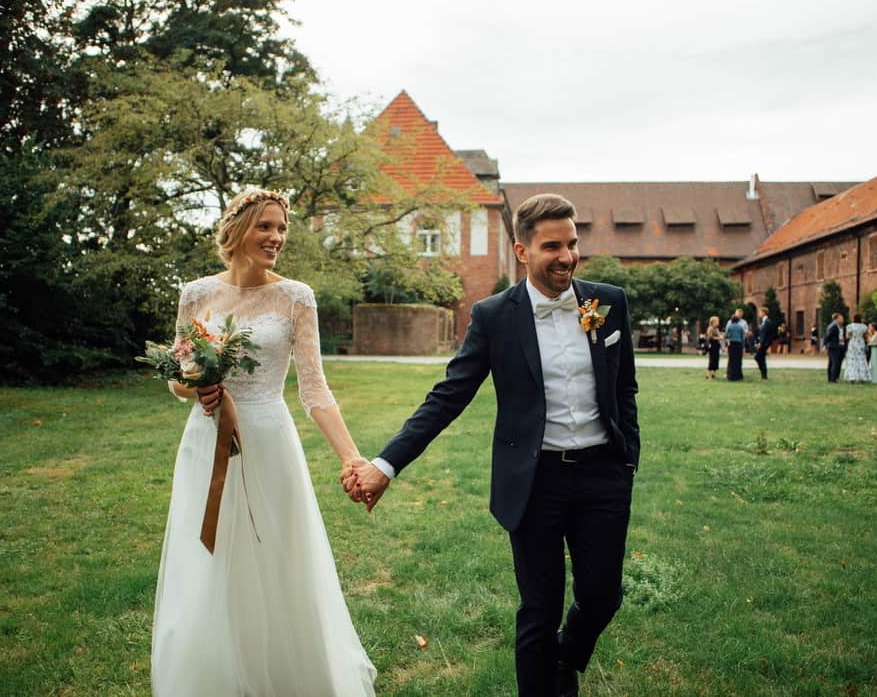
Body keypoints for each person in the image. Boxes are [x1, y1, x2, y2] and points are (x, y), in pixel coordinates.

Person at [343, 194, 639, 697]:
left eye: (571, 244)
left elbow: (624, 386)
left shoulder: (607, 303)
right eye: (552, 246)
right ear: (522, 251)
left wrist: (627, 456)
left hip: (601, 477)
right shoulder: (495, 316)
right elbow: (447, 398)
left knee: (603, 597)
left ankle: (566, 655)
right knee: (538, 609)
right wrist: (386, 465)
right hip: (534, 482)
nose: (566, 256)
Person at [151, 188, 376, 696]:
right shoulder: (195, 293)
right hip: (205, 441)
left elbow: (314, 390)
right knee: (207, 558)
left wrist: (352, 458)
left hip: (270, 441)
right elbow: (175, 376)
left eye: (281, 230)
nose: (276, 238)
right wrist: (197, 384)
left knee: (276, 555)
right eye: (266, 227)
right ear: (236, 230)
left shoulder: (296, 296)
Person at [842, 313, 871, 383]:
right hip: (860, 343)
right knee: (861, 360)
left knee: (852, 361)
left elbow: (847, 337)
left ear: (853, 318)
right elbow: (866, 336)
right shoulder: (864, 327)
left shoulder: (849, 326)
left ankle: (852, 377)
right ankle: (863, 377)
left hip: (852, 343)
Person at [753, 307, 775, 380]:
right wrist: (757, 342)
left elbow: (766, 334)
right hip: (762, 342)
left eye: (760, 312)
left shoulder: (767, 321)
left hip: (764, 344)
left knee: (757, 357)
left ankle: (763, 373)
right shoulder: (763, 321)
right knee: (761, 358)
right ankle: (763, 375)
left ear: (764, 313)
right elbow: (761, 333)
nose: (759, 314)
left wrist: (761, 343)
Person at [824, 313, 845, 383]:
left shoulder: (839, 326)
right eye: (841, 318)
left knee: (834, 363)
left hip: (838, 346)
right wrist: (825, 346)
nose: (842, 319)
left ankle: (833, 378)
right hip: (834, 347)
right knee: (834, 363)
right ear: (836, 319)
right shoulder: (833, 326)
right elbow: (827, 336)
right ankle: (832, 379)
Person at [724, 315, 745, 381]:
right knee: (738, 360)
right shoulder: (740, 327)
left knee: (731, 360)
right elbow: (743, 337)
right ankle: (738, 375)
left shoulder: (730, 326)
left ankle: (731, 375)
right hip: (739, 344)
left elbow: (726, 335)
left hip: (732, 344)